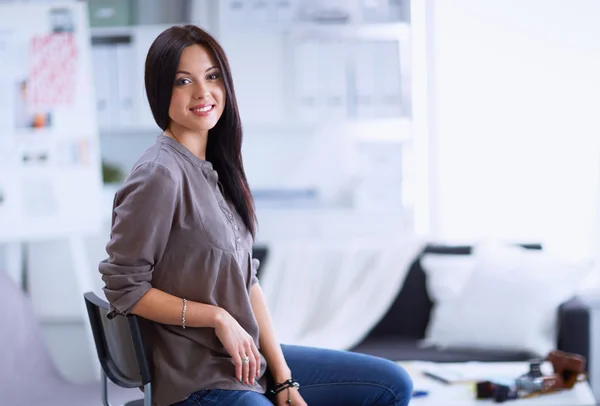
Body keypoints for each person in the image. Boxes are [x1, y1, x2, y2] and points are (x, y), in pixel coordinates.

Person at [99, 25, 413, 406]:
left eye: (212, 76)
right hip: (197, 380)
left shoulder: (215, 168)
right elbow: (125, 288)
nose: (203, 93)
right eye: (184, 81)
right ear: (160, 90)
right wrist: (217, 317)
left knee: (392, 383)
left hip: (247, 363)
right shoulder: (159, 175)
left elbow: (248, 283)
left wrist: (283, 379)